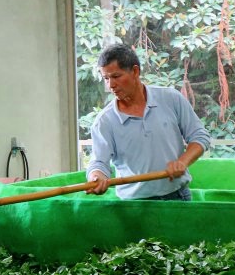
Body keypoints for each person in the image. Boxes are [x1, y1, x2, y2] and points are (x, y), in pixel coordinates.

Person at [85, 43, 211, 200]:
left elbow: (200, 136)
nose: (111, 85)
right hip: (135, 206)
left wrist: (182, 162)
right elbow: (98, 163)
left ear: (135, 71)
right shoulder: (105, 121)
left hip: (178, 197)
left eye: (116, 77)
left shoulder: (171, 98)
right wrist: (96, 177)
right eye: (106, 78)